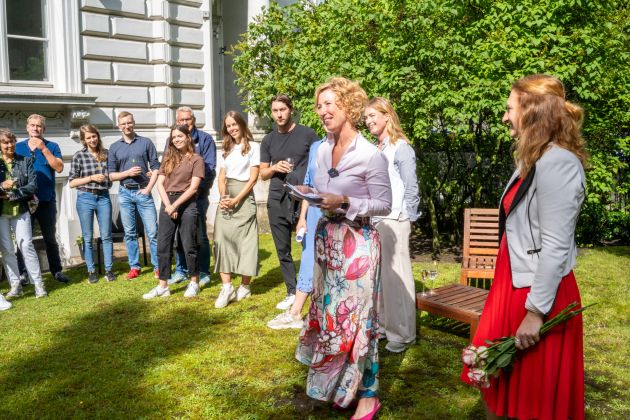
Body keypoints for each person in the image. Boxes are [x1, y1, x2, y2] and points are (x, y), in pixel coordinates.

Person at [461, 74, 587, 420]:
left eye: (509, 109)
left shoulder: (559, 163)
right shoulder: (534, 158)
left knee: (534, 395)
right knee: (507, 385)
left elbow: (556, 246)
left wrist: (535, 312)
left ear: (532, 113)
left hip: (537, 291)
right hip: (512, 284)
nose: (505, 117)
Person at [295, 77, 391, 420]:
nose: (321, 111)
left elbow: (384, 204)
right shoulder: (321, 150)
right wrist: (312, 196)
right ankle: (341, 387)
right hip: (327, 239)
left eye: (328, 104)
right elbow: (322, 190)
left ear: (348, 107)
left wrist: (346, 201)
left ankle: (368, 396)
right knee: (330, 316)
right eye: (319, 105)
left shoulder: (370, 155)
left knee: (359, 320)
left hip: (358, 244)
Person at [364, 97, 420, 353]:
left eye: (373, 115)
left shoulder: (401, 147)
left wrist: (408, 219)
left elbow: (411, 187)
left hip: (395, 219)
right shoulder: (377, 148)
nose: (368, 121)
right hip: (378, 220)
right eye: (366, 117)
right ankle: (386, 327)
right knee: (382, 278)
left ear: (387, 115)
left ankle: (404, 334)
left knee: (398, 278)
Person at [260, 94, 319, 310]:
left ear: (291, 110)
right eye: (275, 111)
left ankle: (313, 287)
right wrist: (275, 167)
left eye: (282, 110)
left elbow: (319, 163)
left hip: (303, 198)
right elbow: (262, 174)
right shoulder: (268, 140)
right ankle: (292, 291)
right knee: (282, 247)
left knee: (308, 245)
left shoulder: (308, 134)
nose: (279, 114)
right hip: (277, 196)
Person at [267, 135, 325, 329]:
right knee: (308, 258)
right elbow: (309, 186)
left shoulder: (346, 146)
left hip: (334, 213)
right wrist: (302, 218)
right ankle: (295, 312)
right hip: (314, 212)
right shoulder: (316, 146)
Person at [143, 125, 205, 299]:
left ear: (188, 137)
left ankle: (194, 282)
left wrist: (175, 205)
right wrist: (168, 205)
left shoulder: (196, 159)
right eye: (174, 137)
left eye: (180, 136)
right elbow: (160, 184)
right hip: (167, 201)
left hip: (186, 202)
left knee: (188, 244)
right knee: (163, 245)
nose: (177, 139)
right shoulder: (168, 159)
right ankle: (163, 285)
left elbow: (193, 188)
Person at [213, 112, 260, 308]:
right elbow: (221, 177)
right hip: (227, 197)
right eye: (228, 126)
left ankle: (245, 286)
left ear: (241, 124)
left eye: (234, 124)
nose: (232, 128)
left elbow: (253, 179)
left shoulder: (254, 147)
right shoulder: (226, 148)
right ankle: (226, 287)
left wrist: (236, 200)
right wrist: (224, 197)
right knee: (220, 239)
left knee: (246, 242)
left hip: (244, 197)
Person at [15, 114, 69, 284]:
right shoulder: (18, 147)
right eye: (32, 125)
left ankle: (56, 271)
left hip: (46, 200)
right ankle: (23, 273)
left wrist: (43, 149)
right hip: (24, 201)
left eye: (39, 126)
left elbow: (59, 168)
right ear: (27, 128)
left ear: (43, 128)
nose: (35, 128)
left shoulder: (52, 146)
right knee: (23, 240)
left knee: (50, 238)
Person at [167, 106, 216, 287]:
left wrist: (194, 192)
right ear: (177, 121)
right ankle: (181, 270)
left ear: (193, 120)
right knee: (179, 234)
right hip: (175, 197)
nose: (185, 122)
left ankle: (203, 271)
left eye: (188, 119)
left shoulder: (205, 139)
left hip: (197, 197)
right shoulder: (172, 139)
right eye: (181, 120)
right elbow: (168, 166)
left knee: (199, 235)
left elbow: (209, 170)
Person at [108, 111, 160, 279]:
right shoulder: (114, 147)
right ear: (119, 126)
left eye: (129, 122)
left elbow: (156, 168)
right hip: (124, 192)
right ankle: (134, 267)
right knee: (130, 233)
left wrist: (148, 189)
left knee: (152, 232)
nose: (127, 126)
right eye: (123, 123)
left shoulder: (146, 142)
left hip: (143, 190)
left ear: (134, 123)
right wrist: (127, 173)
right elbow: (111, 175)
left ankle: (158, 266)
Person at [0, 128, 47, 299]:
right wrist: (1, 186)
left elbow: (32, 186)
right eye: (5, 142)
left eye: (12, 141)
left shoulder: (25, 161)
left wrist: (13, 194)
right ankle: (16, 286)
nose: (10, 145)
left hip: (21, 209)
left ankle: (39, 285)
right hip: (2, 213)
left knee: (26, 245)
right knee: (7, 249)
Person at [68, 125, 116, 283]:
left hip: (103, 197)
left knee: (106, 235)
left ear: (98, 136)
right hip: (85, 197)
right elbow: (72, 182)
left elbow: (114, 174)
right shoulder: (79, 156)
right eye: (88, 138)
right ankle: (91, 271)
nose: (92, 140)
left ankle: (109, 270)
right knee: (88, 237)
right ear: (83, 140)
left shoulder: (107, 154)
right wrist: (91, 178)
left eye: (94, 136)